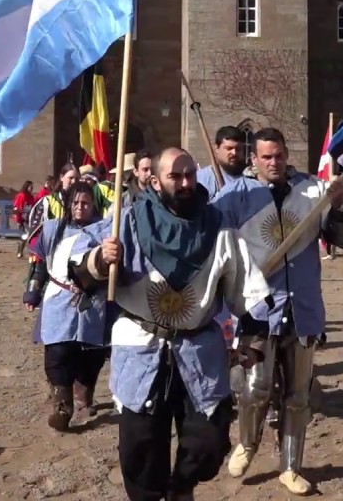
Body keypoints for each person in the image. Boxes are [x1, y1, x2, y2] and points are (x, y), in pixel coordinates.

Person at [69, 147, 271, 501]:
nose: (185, 183)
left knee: (210, 440)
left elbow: (246, 284)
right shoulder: (128, 221)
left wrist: (252, 335)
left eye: (190, 174)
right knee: (141, 448)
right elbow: (79, 271)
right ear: (155, 180)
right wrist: (102, 259)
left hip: (199, 347)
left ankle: (181, 488)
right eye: (175, 176)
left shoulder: (219, 226)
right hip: (142, 345)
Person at [226, 128, 343, 496]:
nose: (273, 162)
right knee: (256, 387)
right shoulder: (237, 195)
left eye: (278, 155)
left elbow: (342, 239)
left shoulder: (313, 190)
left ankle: (290, 466)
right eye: (266, 157)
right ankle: (247, 444)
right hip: (257, 306)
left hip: (303, 307)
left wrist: (339, 206)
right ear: (254, 158)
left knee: (298, 395)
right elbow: (211, 238)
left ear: (286, 154)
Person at [23, 182, 112, 431]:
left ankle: (84, 396)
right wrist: (32, 292)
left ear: (93, 204)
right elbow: (39, 264)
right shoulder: (54, 229)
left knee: (91, 355)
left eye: (85, 203)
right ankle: (63, 405)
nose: (80, 207)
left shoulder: (106, 230)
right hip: (59, 299)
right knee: (58, 352)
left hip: (93, 302)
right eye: (75, 203)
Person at [195, 126, 247, 199]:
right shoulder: (201, 179)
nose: (234, 153)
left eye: (238, 149)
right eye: (229, 148)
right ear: (216, 148)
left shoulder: (250, 183)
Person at [13, 180, 36, 259]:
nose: (32, 188)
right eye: (30, 187)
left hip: (29, 219)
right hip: (22, 219)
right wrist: (18, 220)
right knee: (24, 236)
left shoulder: (31, 197)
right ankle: (20, 251)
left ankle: (29, 252)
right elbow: (17, 208)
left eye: (32, 187)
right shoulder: (21, 196)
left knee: (30, 235)